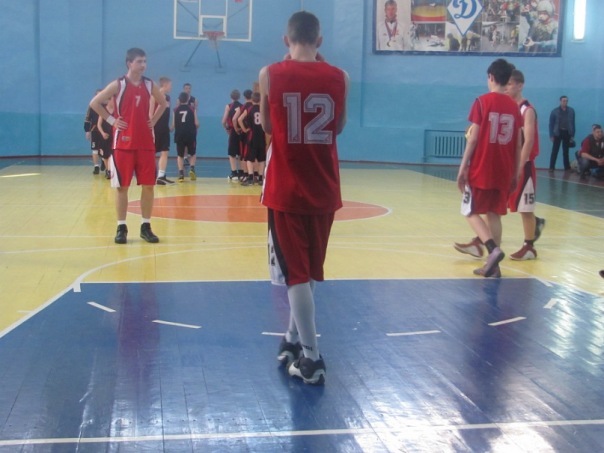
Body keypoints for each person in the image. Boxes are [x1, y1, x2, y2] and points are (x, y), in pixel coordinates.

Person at [259, 11, 348, 385]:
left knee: (296, 275)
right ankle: (293, 338)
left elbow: (266, 125)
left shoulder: (270, 74)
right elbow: (338, 127)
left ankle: (312, 359)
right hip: (324, 185)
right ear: (320, 41)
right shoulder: (340, 77)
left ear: (286, 40)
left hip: (286, 188)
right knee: (308, 271)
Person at [454, 69, 547, 261]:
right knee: (493, 208)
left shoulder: (526, 109)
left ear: (520, 86)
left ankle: (529, 245)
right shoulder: (507, 107)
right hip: (506, 165)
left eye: (511, 84)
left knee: (524, 207)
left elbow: (528, 141)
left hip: (523, 164)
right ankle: (482, 243)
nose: (507, 88)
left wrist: (519, 166)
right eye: (507, 83)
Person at [89, 47, 168, 244]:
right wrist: (112, 120)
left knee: (148, 186)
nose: (143, 65)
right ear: (129, 63)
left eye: (145, 61)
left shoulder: (149, 85)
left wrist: (153, 120)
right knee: (122, 187)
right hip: (123, 143)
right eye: (139, 61)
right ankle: (121, 227)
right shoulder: (119, 84)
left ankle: (145, 226)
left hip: (146, 143)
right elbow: (95, 103)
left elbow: (163, 104)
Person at [455, 59, 522, 278]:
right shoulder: (514, 107)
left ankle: (493, 250)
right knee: (494, 214)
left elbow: (473, 139)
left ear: (491, 77)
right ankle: (494, 267)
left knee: (469, 211)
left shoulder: (482, 102)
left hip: (482, 167)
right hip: (504, 169)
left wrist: (463, 167)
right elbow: (518, 144)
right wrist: (515, 172)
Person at [238, 91, 266, 186]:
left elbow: (239, 119)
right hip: (261, 136)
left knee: (249, 158)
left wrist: (244, 129)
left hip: (252, 136)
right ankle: (261, 178)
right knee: (261, 159)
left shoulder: (249, 109)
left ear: (252, 99)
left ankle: (250, 178)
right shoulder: (263, 109)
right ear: (260, 100)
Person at [173, 91, 199, 182]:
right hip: (190, 134)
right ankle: (192, 168)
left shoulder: (175, 110)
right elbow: (196, 123)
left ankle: (181, 174)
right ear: (188, 99)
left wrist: (170, 129)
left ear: (179, 100)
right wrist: (196, 127)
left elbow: (173, 125)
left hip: (179, 134)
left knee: (180, 155)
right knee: (192, 153)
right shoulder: (192, 109)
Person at [153, 77, 174, 185]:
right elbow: (150, 112)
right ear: (165, 84)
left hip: (164, 128)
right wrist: (151, 126)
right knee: (152, 151)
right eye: (170, 85)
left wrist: (169, 126)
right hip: (155, 127)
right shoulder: (155, 95)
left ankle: (161, 176)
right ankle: (150, 174)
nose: (171, 87)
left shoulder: (168, 97)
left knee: (165, 151)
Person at [549, 95, 576, 171]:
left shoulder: (571, 111)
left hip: (567, 132)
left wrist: (573, 134)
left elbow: (573, 123)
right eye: (564, 101)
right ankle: (551, 167)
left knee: (566, 151)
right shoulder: (554, 111)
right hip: (557, 132)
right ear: (560, 101)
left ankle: (567, 167)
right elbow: (551, 124)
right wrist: (551, 135)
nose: (565, 102)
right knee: (555, 151)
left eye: (566, 101)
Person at [221, 89, 243, 181]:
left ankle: (234, 173)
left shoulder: (229, 106)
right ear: (239, 97)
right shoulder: (242, 106)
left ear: (231, 97)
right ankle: (241, 173)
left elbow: (223, 121)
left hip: (233, 131)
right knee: (241, 152)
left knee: (232, 153)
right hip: (241, 131)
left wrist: (226, 128)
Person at [84, 89, 104, 175]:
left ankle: (104, 161)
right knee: (95, 148)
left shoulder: (107, 106)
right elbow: (87, 118)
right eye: (97, 95)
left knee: (104, 148)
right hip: (95, 130)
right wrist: (87, 131)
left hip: (104, 130)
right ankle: (96, 166)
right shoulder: (92, 106)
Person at [96, 98, 115, 179]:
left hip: (113, 136)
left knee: (111, 154)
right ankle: (107, 170)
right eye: (113, 100)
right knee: (105, 155)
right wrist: (102, 133)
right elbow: (99, 124)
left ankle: (110, 171)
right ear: (109, 100)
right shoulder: (103, 111)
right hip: (104, 136)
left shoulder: (117, 110)